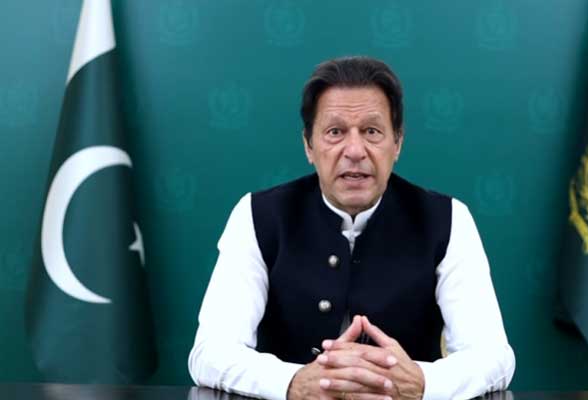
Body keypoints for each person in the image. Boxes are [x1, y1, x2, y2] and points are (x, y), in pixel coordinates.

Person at [188, 56, 515, 400]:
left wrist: (421, 382)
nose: (355, 150)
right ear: (308, 146)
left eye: (372, 132)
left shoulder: (449, 219)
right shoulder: (256, 216)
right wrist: (295, 383)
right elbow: (209, 353)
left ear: (398, 143)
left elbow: (495, 358)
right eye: (335, 132)